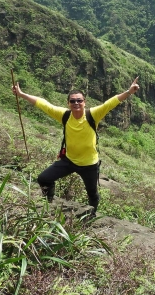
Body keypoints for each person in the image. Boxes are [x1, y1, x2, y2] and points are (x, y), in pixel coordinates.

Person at [12, 77, 140, 216]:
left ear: (84, 103)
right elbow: (43, 104)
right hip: (69, 160)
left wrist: (128, 92)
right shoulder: (65, 115)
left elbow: (110, 103)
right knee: (44, 178)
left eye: (79, 100)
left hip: (89, 164)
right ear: (68, 103)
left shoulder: (93, 115)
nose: (76, 103)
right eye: (73, 101)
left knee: (92, 193)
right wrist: (22, 94)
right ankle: (48, 200)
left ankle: (92, 214)